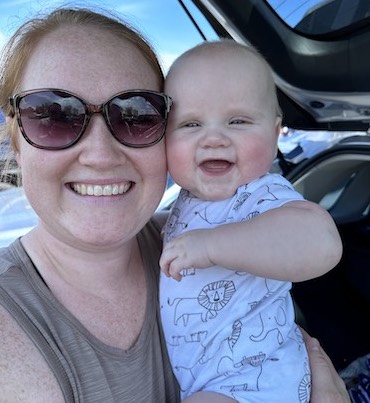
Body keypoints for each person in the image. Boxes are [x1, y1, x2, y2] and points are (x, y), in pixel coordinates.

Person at [0, 7, 349, 403]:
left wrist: (213, 245)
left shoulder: (182, 227)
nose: (99, 154)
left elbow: (314, 240)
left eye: (135, 115)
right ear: (16, 140)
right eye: (52, 116)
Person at [159, 40, 343, 402]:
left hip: (257, 378)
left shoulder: (263, 195)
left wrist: (211, 245)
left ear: (275, 134)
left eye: (238, 121)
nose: (213, 138)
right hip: (211, 379)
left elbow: (322, 243)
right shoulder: (185, 201)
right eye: (191, 123)